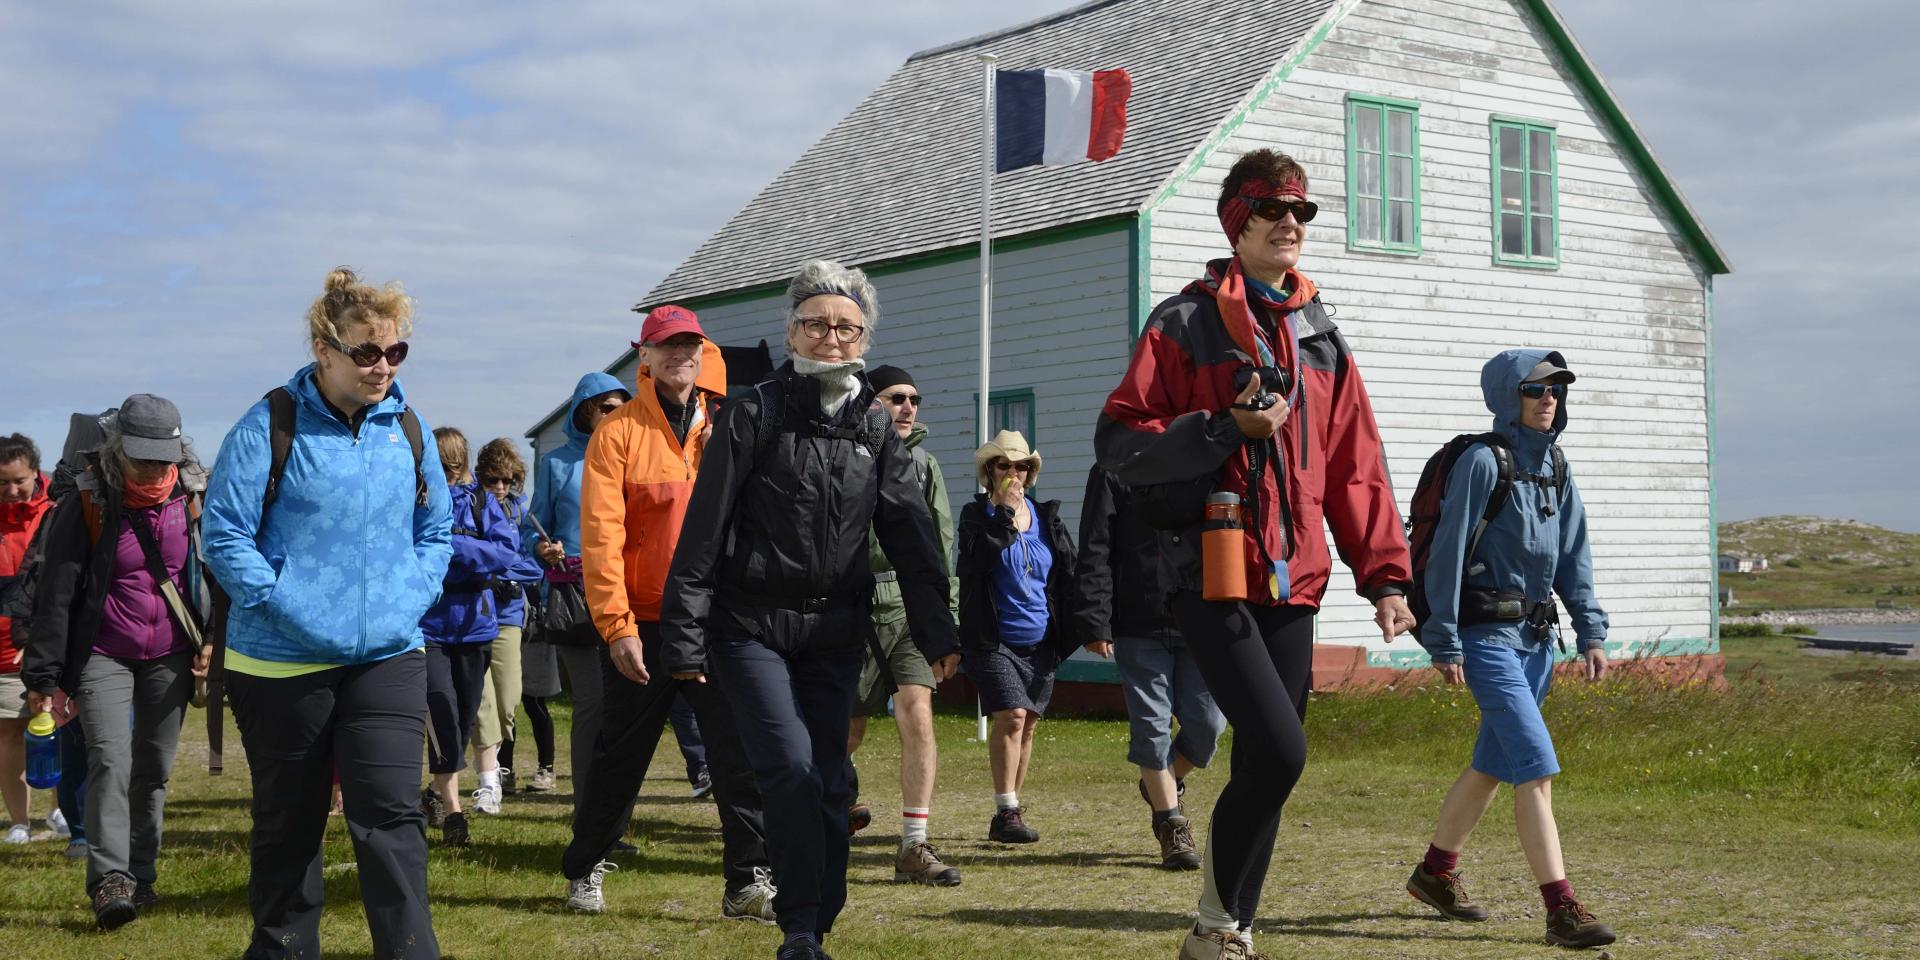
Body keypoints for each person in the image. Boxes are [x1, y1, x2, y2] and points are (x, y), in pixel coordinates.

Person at [1095, 149, 1416, 960]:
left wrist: (1384, 576)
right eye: (1272, 209)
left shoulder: (1321, 336)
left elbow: (1357, 467)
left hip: (1295, 577)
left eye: (1302, 212)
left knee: (1268, 768)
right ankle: (1216, 924)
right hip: (1209, 570)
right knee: (1280, 749)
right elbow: (1120, 444)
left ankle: (1227, 933)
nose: (1290, 224)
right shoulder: (1183, 321)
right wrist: (1221, 430)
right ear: (1237, 222)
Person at [660, 260, 960, 960]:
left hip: (834, 631)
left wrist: (938, 629)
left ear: (862, 339)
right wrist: (683, 639)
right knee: (790, 771)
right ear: (792, 329)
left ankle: (816, 921)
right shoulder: (754, 411)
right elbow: (703, 533)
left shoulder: (875, 428)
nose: (831, 337)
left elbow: (913, 538)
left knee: (830, 782)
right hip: (751, 628)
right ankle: (797, 928)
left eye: (846, 327)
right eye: (816, 324)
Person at [202, 266, 453, 960]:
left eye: (395, 352)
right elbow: (223, 535)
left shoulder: (408, 426)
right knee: (290, 823)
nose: (382, 366)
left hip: (389, 654)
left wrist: (412, 595)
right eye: (366, 352)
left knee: (392, 818)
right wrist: (286, 605)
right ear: (324, 347)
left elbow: (437, 530)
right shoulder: (267, 426)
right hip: (281, 659)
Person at [559, 305, 776, 923]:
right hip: (645, 623)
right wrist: (617, 628)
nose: (681, 355)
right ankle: (585, 869)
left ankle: (747, 882)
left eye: (691, 345)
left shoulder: (730, 425)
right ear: (644, 359)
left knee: (736, 754)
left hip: (715, 619)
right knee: (619, 757)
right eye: (667, 346)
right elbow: (600, 539)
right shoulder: (617, 433)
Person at [1406, 349, 1614, 949]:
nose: (1549, 400)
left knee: (1493, 766)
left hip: (1537, 643)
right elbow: (1445, 552)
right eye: (1535, 389)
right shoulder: (1480, 461)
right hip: (1484, 638)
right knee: (1536, 769)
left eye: (1556, 390)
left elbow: (1575, 553)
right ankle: (1562, 909)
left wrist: (1591, 629)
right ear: (1507, 396)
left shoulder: (1556, 464)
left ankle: (1435, 874)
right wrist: (1441, 636)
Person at [22, 398, 211, 928]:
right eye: (142, 458)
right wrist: (44, 676)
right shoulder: (87, 500)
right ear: (117, 448)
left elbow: (214, 571)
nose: (153, 469)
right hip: (102, 653)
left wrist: (212, 638)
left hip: (173, 654)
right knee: (110, 758)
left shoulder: (194, 495)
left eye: (161, 457)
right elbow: (56, 592)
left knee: (153, 771)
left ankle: (142, 876)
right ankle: (110, 880)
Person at [842, 364, 961, 886]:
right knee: (846, 728)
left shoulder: (927, 466)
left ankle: (913, 844)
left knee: (918, 712)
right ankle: (832, 803)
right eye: (896, 398)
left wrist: (946, 623)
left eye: (915, 399)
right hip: (853, 604)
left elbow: (942, 547)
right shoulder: (845, 456)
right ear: (872, 404)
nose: (908, 407)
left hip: (910, 603)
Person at [1074, 463, 1226, 870]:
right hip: (1138, 620)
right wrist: (1095, 618)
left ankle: (1160, 783)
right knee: (1151, 724)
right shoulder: (1113, 469)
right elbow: (1096, 545)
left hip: (1200, 614)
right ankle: (1171, 824)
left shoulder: (1207, 459)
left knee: (1208, 726)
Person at [957, 430, 1085, 846]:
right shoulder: (977, 515)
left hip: (1041, 639)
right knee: (1011, 716)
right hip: (993, 639)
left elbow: (1069, 571)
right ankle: (1005, 809)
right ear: (989, 473)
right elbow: (975, 563)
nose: (1014, 472)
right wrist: (1004, 516)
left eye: (1022, 465)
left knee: (1027, 724)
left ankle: (1010, 810)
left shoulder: (1047, 516)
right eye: (1004, 465)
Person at [526, 372, 630, 811]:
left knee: (624, 708)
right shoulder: (556, 463)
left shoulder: (635, 457)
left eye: (624, 406)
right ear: (585, 409)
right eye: (609, 407)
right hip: (574, 598)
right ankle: (589, 813)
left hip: (629, 594)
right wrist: (541, 547)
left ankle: (615, 816)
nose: (618, 414)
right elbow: (529, 530)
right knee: (592, 703)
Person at [418, 427, 519, 847]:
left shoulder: (482, 502)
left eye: (453, 466)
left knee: (463, 716)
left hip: (476, 624)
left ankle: (433, 795)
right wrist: (467, 553)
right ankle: (454, 812)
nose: (449, 473)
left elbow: (506, 553)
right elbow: (416, 552)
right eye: (442, 466)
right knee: (442, 711)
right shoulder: (418, 502)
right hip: (430, 627)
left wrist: (454, 548)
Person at [469, 438, 543, 809]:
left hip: (511, 614)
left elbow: (530, 563)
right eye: (494, 479)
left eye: (508, 480)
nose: (500, 487)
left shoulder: (519, 511)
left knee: (509, 698)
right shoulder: (469, 506)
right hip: (475, 612)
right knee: (481, 700)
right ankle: (489, 778)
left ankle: (493, 765)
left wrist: (512, 569)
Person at [1, 432, 53, 846]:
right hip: (3, 649)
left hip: (49, 641)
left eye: (19, 480)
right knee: (10, 734)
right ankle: (20, 820)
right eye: (3, 483)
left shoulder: (60, 508)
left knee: (56, 729)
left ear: (36, 472)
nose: (13, 490)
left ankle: (61, 809)